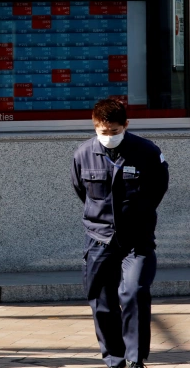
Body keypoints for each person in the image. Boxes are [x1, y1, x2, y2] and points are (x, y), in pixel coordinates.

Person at [71, 99, 169, 368]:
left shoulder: (146, 152)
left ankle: (135, 359)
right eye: (102, 132)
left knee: (135, 292)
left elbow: (157, 190)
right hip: (99, 239)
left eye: (114, 131)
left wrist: (135, 216)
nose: (108, 137)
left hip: (136, 240)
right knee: (102, 302)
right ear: (94, 126)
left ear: (125, 125)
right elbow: (82, 190)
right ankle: (115, 359)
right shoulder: (83, 154)